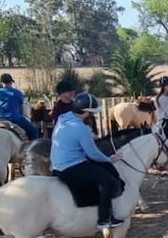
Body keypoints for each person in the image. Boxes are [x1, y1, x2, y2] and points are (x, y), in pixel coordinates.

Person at [50, 92, 125, 230]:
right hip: (72, 165)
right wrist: (109, 160)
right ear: (85, 112)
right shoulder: (81, 128)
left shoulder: (63, 118)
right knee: (107, 181)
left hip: (56, 163)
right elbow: (93, 154)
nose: (92, 115)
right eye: (91, 113)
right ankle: (104, 219)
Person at [0, 73, 39, 140]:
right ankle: (32, 149)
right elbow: (22, 106)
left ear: (2, 82)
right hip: (14, 119)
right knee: (34, 131)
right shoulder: (17, 92)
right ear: (11, 82)